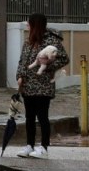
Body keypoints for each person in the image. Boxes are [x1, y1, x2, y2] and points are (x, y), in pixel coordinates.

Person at [15, 13, 69, 158]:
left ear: (36, 25)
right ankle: (29, 145)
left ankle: (44, 147)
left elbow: (64, 59)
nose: (27, 25)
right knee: (29, 117)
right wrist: (19, 76)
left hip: (43, 86)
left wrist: (48, 66)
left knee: (42, 116)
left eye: (29, 23)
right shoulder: (28, 42)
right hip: (28, 86)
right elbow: (22, 61)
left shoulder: (51, 41)